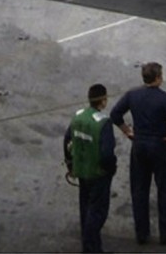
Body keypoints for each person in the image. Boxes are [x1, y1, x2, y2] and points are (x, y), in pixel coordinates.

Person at [110, 62, 166, 247]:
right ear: (158, 77)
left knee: (139, 189)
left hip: (140, 144)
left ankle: (141, 233)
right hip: (159, 146)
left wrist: (127, 130)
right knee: (165, 190)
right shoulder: (165, 98)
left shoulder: (132, 95)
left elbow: (115, 114)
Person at [63, 83, 118, 254]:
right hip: (99, 174)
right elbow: (107, 153)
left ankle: (93, 248)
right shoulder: (103, 123)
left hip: (82, 171)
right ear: (103, 100)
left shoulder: (78, 117)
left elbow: (67, 141)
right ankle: (90, 247)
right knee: (98, 213)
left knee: (86, 209)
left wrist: (70, 164)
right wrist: (111, 168)